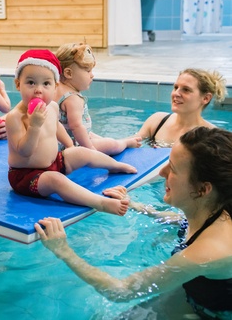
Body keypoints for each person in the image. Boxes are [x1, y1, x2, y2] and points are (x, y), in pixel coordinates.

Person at [35, 126, 232, 319]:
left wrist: (63, 250)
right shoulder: (215, 207)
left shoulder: (207, 252)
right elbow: (182, 222)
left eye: (172, 168)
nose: (162, 172)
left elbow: (121, 291)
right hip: (195, 292)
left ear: (203, 189)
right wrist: (136, 206)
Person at [6, 49, 137, 216]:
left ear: (55, 86)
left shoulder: (52, 106)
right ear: (18, 84)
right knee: (56, 180)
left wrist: (69, 146)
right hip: (27, 176)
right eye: (31, 83)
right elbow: (24, 151)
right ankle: (100, 203)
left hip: (54, 163)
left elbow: (57, 127)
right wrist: (34, 126)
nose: (38, 90)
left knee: (82, 152)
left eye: (46, 84)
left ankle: (115, 166)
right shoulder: (15, 117)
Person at [54, 42, 142, 154]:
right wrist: (92, 150)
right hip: (74, 146)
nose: (92, 75)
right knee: (111, 145)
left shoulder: (56, 88)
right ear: (68, 73)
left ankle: (120, 141)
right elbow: (76, 127)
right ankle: (124, 144)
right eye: (87, 71)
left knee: (95, 136)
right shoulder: (73, 98)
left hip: (64, 141)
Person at [137, 68, 227, 147]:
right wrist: (123, 143)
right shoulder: (157, 122)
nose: (176, 93)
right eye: (176, 87)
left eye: (186, 90)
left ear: (205, 98)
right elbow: (132, 142)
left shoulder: (213, 138)